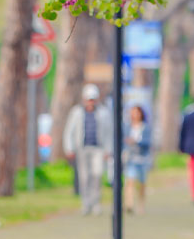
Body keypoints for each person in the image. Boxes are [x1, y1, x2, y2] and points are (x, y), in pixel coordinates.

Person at [64, 84, 113, 215]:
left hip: (98, 148)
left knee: (97, 175)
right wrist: (69, 148)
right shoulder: (77, 112)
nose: (91, 102)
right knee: (84, 177)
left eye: (93, 99)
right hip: (82, 148)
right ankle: (85, 203)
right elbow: (69, 131)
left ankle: (96, 202)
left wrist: (109, 150)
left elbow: (109, 132)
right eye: (89, 99)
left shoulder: (103, 113)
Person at [123, 105, 152, 214]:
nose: (135, 115)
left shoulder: (145, 127)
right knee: (130, 181)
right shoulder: (127, 127)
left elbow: (148, 143)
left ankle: (141, 204)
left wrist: (136, 141)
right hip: (131, 158)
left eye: (137, 112)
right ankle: (129, 203)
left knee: (141, 183)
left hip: (142, 158)